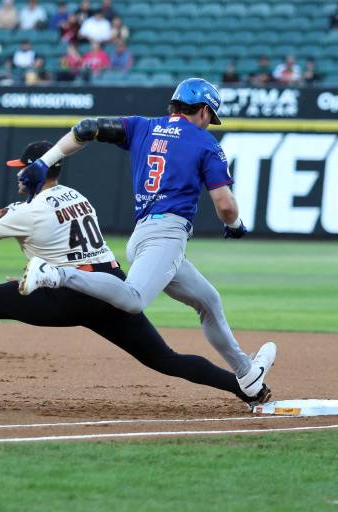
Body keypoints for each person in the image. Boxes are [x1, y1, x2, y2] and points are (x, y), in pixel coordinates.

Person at [0, 137, 269, 409]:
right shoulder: (77, 196)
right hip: (110, 287)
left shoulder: (29, 210)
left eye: (20, 169)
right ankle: (245, 388)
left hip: (71, 295)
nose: (17, 175)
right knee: (164, 359)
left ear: (34, 170)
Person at [16, 78, 277, 400]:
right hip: (165, 236)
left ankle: (246, 374)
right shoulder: (205, 143)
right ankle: (54, 273)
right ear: (206, 111)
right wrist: (236, 225)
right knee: (134, 299)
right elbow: (225, 205)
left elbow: (85, 128)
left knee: (208, 301)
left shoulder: (142, 127)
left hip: (144, 235)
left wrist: (44, 162)